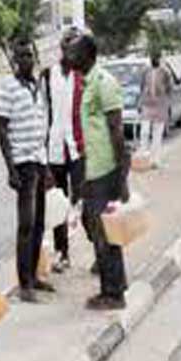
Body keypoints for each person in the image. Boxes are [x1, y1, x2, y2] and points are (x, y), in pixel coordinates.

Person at [65, 34, 130, 310]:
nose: (70, 57)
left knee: (105, 234)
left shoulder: (104, 84)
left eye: (74, 52)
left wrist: (120, 178)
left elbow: (117, 132)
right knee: (98, 230)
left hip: (107, 172)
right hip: (94, 172)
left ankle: (113, 294)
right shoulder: (87, 83)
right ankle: (114, 285)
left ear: (88, 55)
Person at [0, 38, 55, 303]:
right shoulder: (8, 88)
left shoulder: (38, 87)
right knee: (26, 224)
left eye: (30, 55)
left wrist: (49, 165)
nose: (27, 60)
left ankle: (34, 275)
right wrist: (10, 168)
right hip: (23, 162)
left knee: (41, 222)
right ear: (15, 61)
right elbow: (1, 129)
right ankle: (24, 283)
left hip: (40, 160)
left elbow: (44, 123)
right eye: (22, 57)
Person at [45, 33, 85, 273]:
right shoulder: (48, 75)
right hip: (55, 148)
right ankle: (63, 252)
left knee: (82, 200)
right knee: (58, 204)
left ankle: (98, 249)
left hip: (78, 147)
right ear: (62, 50)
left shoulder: (83, 76)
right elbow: (42, 112)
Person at [138, 50, 173, 168]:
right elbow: (141, 86)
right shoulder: (145, 71)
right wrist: (140, 102)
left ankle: (155, 160)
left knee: (157, 133)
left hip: (160, 105)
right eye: (153, 57)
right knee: (144, 132)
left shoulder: (165, 72)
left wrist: (165, 100)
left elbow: (169, 88)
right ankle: (143, 157)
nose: (154, 60)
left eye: (157, 58)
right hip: (147, 104)